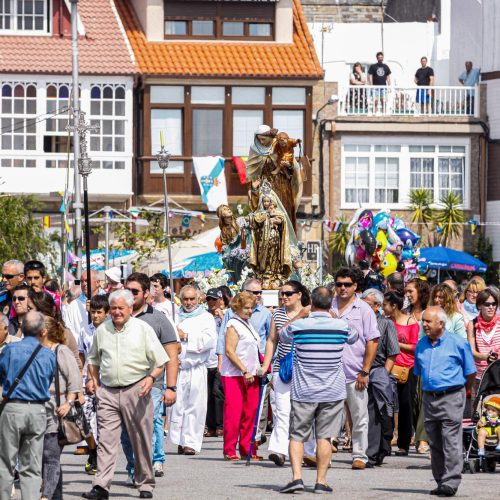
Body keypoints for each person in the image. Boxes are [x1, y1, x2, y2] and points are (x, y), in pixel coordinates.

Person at [82, 289, 169, 500]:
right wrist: (93, 380)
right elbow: (93, 359)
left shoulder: (142, 329)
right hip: (109, 392)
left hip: (136, 390)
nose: (117, 312)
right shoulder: (102, 330)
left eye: (121, 308)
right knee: (106, 442)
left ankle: (145, 484)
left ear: (130, 308)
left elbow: (161, 360)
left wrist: (150, 379)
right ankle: (101, 486)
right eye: (113, 308)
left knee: (141, 439)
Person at [278, 287, 358, 494]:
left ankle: (296, 478)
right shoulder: (341, 326)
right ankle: (321, 481)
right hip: (332, 391)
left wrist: (300, 315)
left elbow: (282, 335)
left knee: (297, 435)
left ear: (311, 303)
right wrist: (335, 316)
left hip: (304, 390)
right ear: (330, 303)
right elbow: (355, 337)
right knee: (325, 437)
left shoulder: (301, 326)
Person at [121, 273, 179, 481]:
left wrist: (171, 388)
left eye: (134, 291)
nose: (130, 295)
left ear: (146, 294)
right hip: (123, 384)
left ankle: (155, 460)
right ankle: (133, 466)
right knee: (127, 431)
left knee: (151, 422)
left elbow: (172, 355)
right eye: (126, 290)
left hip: (153, 381)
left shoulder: (159, 319)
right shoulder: (118, 317)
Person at [414, 306, 476, 497]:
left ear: (441, 324)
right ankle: (441, 480)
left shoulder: (458, 343)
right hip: (430, 398)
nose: (424, 325)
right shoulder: (421, 344)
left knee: (451, 441)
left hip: (451, 396)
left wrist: (461, 392)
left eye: (428, 322)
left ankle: (451, 482)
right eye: (423, 321)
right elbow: (419, 372)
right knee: (435, 442)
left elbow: (470, 372)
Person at [0, 311, 56, 500]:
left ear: (22, 329)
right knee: (31, 466)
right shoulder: (48, 355)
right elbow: (48, 379)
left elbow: (3, 374)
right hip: (38, 409)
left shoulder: (9, 350)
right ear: (43, 332)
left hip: (13, 408)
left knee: (5, 462)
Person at [331, 267, 380, 470]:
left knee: (359, 415)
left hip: (354, 372)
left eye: (347, 284)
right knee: (328, 415)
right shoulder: (328, 306)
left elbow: (373, 340)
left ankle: (359, 455)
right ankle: (323, 452)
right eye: (339, 284)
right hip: (329, 371)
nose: (342, 288)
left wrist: (365, 370)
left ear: (355, 286)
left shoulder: (364, 310)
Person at [260, 280, 310, 466]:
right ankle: (279, 450)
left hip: (305, 368)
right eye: (282, 293)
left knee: (303, 413)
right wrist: (267, 366)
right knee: (282, 410)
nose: (284, 297)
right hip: (283, 367)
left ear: (299, 295)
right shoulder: (278, 314)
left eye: (288, 293)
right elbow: (273, 339)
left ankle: (306, 452)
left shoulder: (309, 313)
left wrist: (303, 315)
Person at [169, 286, 217, 456]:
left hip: (196, 367)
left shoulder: (205, 317)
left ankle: (191, 442)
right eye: (185, 299)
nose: (188, 303)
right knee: (178, 405)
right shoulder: (174, 316)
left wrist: (187, 336)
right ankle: (180, 440)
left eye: (192, 299)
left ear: (198, 299)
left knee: (195, 406)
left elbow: (210, 340)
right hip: (178, 367)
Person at [41, 316, 81, 500]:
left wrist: (69, 402)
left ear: (44, 331)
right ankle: (55, 496)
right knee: (46, 458)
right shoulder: (37, 351)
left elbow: (74, 379)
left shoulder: (61, 350)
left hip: (57, 410)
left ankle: (47, 496)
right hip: (39, 409)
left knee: (50, 456)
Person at [220, 291, 262, 461]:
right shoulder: (233, 324)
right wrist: (244, 370)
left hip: (252, 374)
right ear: (237, 307)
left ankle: (247, 449)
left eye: (252, 308)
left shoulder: (248, 323)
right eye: (246, 308)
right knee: (234, 412)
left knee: (250, 412)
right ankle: (229, 449)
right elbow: (230, 351)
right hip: (235, 374)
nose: (250, 311)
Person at [361, 289, 400, 467]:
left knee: (382, 412)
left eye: (368, 304)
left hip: (378, 370)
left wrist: (383, 374)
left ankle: (381, 448)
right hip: (359, 370)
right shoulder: (358, 321)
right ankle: (369, 452)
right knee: (367, 413)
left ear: (377, 306)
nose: (363, 307)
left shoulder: (385, 324)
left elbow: (392, 353)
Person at [383, 291, 419, 457]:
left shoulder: (411, 322)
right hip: (388, 366)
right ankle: (386, 441)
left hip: (407, 368)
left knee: (405, 406)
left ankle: (404, 442)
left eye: (385, 304)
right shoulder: (385, 322)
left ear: (394, 305)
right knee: (387, 406)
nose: (383, 307)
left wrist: (395, 344)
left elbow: (415, 347)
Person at [79, 294, 110, 476]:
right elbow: (82, 356)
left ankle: (102, 458)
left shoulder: (110, 330)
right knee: (84, 421)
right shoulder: (85, 330)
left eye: (99, 312)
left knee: (103, 423)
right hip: (87, 382)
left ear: (106, 313)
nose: (96, 316)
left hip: (105, 382)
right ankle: (92, 451)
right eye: (93, 312)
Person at [466, 288, 500, 401]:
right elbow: (472, 351)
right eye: (487, 304)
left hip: (498, 375)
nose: (491, 307)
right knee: (478, 412)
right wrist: (485, 357)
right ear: (480, 305)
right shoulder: (472, 323)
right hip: (479, 377)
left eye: (494, 304)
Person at [205, 287, 225, 438]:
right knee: (207, 395)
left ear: (220, 300)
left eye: (214, 299)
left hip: (220, 359)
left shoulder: (226, 315)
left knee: (217, 393)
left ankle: (220, 425)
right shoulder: (204, 316)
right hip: (206, 360)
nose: (211, 302)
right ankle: (210, 426)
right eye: (208, 299)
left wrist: (222, 316)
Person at [63, 270, 101, 343]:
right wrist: (82, 343)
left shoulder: (107, 301)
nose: (84, 284)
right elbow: (68, 327)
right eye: (82, 281)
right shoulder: (74, 305)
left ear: (97, 282)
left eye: (87, 281)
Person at [476, 396, 500, 462]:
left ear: (498, 412)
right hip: (487, 432)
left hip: (497, 431)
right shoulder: (484, 418)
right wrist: (480, 424)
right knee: (481, 431)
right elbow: (480, 424)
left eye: (493, 410)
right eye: (488, 409)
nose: (490, 412)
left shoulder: (499, 418)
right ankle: (481, 448)